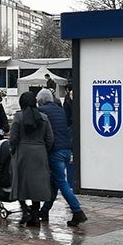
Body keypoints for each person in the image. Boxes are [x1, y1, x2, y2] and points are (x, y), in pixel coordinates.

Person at [37, 88, 87, 226]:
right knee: (54, 183)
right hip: (66, 150)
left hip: (55, 151)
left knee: (62, 183)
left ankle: (78, 211)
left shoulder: (42, 112)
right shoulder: (60, 110)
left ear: (40, 100)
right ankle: (44, 211)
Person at [9, 91, 53, 227]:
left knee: (21, 182)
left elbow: (13, 138)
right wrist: (44, 150)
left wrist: (13, 150)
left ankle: (24, 211)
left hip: (23, 153)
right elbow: (50, 139)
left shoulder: (18, 117)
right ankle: (35, 214)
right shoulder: (44, 118)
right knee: (37, 184)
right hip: (40, 153)